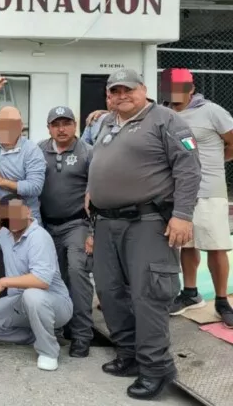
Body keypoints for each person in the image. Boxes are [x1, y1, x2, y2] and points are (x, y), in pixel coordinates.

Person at [88, 68, 200, 400]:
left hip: (148, 222)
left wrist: (182, 215)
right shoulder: (107, 123)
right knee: (108, 291)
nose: (121, 96)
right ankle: (129, 355)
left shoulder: (166, 120)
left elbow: (189, 168)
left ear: (144, 90)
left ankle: (156, 368)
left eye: (128, 90)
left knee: (148, 295)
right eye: (114, 91)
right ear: (108, 96)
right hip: (106, 223)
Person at [162, 68, 233, 327]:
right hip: (179, 192)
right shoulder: (164, 114)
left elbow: (231, 142)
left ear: (191, 88)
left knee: (215, 246)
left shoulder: (212, 111)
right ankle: (190, 293)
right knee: (187, 244)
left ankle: (223, 300)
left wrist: (214, 163)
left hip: (209, 190)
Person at [0, 194, 73, 371]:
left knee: (32, 294)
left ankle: (49, 351)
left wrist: (4, 281)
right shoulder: (4, 234)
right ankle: (36, 336)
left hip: (54, 303)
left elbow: (41, 281)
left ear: (28, 212)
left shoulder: (39, 237)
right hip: (19, 302)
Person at [37, 106, 94, 358]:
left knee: (76, 272)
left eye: (66, 123)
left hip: (76, 224)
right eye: (56, 124)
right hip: (46, 226)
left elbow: (98, 194)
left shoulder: (88, 153)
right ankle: (61, 326)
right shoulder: (38, 151)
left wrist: (94, 232)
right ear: (49, 127)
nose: (62, 129)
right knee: (53, 277)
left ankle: (82, 334)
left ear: (76, 125)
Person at [0, 106, 47, 223]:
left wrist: (0, 180)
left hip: (26, 218)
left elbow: (35, 187)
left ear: (21, 126)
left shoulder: (31, 150)